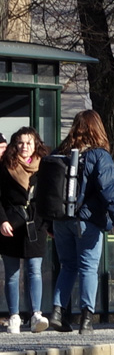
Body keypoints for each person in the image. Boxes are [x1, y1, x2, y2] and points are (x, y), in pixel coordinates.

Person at [49, 110, 114, 334]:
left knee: (67, 266)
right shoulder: (98, 155)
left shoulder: (60, 152)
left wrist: (47, 222)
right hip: (86, 220)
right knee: (88, 267)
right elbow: (109, 188)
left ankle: (57, 312)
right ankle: (86, 319)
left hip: (60, 220)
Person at [0, 127, 50, 334]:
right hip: (11, 223)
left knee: (34, 270)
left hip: (36, 223)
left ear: (36, 144)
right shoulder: (5, 166)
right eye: (20, 142)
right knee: (12, 274)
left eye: (29, 142)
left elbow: (49, 196)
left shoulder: (44, 165)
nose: (24, 147)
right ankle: (14, 316)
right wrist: (2, 220)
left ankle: (36, 314)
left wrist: (49, 224)